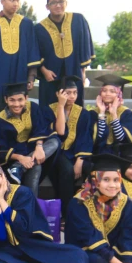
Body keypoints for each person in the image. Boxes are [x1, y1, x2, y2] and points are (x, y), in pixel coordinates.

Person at [0, 82, 58, 196]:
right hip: (15, 157)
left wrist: (39, 146)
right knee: (36, 167)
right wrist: (20, 158)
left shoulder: (33, 108)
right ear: (6, 100)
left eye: (20, 100)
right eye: (12, 100)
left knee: (55, 141)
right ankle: (31, 205)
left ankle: (18, 169)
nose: (17, 104)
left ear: (26, 98)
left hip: (34, 151)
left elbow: (41, 127)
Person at [34, 0, 94, 108]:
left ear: (66, 3)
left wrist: (83, 72)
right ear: (47, 6)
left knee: (75, 107)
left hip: (74, 73)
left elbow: (85, 47)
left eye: (61, 1)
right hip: (51, 77)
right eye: (53, 3)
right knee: (49, 108)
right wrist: (44, 71)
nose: (58, 5)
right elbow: (34, 52)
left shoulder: (78, 20)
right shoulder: (39, 28)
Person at [42, 75, 94, 221]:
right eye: (68, 93)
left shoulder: (83, 113)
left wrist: (80, 159)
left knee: (89, 168)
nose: (72, 96)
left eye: (75, 93)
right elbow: (60, 132)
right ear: (59, 94)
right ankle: (66, 214)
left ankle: (89, 210)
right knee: (66, 170)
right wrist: (60, 105)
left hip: (74, 152)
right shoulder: (49, 110)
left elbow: (85, 137)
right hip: (55, 152)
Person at [92, 74, 132, 155]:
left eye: (112, 91)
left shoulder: (128, 115)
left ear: (119, 95)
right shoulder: (93, 113)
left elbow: (121, 138)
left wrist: (114, 114)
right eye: (104, 91)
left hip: (121, 155)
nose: (107, 94)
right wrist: (101, 113)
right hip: (98, 155)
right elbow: (99, 137)